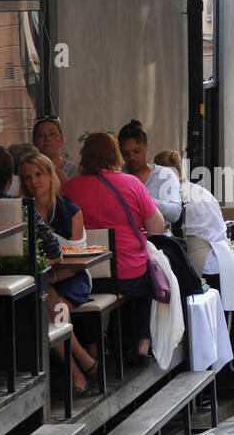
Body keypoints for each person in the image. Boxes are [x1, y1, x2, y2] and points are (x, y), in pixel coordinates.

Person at [165, 155, 234, 422]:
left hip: (205, 267)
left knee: (208, 330)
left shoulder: (176, 199)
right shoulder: (201, 190)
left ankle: (210, 391)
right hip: (228, 262)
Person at [63, 133, 166, 366]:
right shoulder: (132, 183)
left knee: (86, 292)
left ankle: (93, 348)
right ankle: (142, 344)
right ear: (116, 154)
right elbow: (157, 227)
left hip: (87, 275)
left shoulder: (68, 188)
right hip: (128, 275)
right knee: (149, 278)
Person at [19, 152, 97, 396]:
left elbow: (78, 260)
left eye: (39, 174)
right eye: (28, 177)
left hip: (71, 279)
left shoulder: (71, 211)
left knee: (47, 307)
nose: (34, 181)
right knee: (49, 305)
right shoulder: (21, 212)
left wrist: (52, 278)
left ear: (51, 176)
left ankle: (77, 374)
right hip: (44, 284)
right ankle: (82, 363)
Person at [118, 120, 182, 226]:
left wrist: (145, 200)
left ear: (147, 146)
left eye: (136, 151)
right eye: (126, 154)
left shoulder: (165, 175)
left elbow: (175, 213)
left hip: (157, 239)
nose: (131, 157)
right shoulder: (118, 175)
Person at [32, 115, 77, 185]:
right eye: (41, 135)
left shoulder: (75, 172)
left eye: (52, 134)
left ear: (61, 140)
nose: (47, 138)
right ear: (34, 142)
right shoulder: (29, 171)